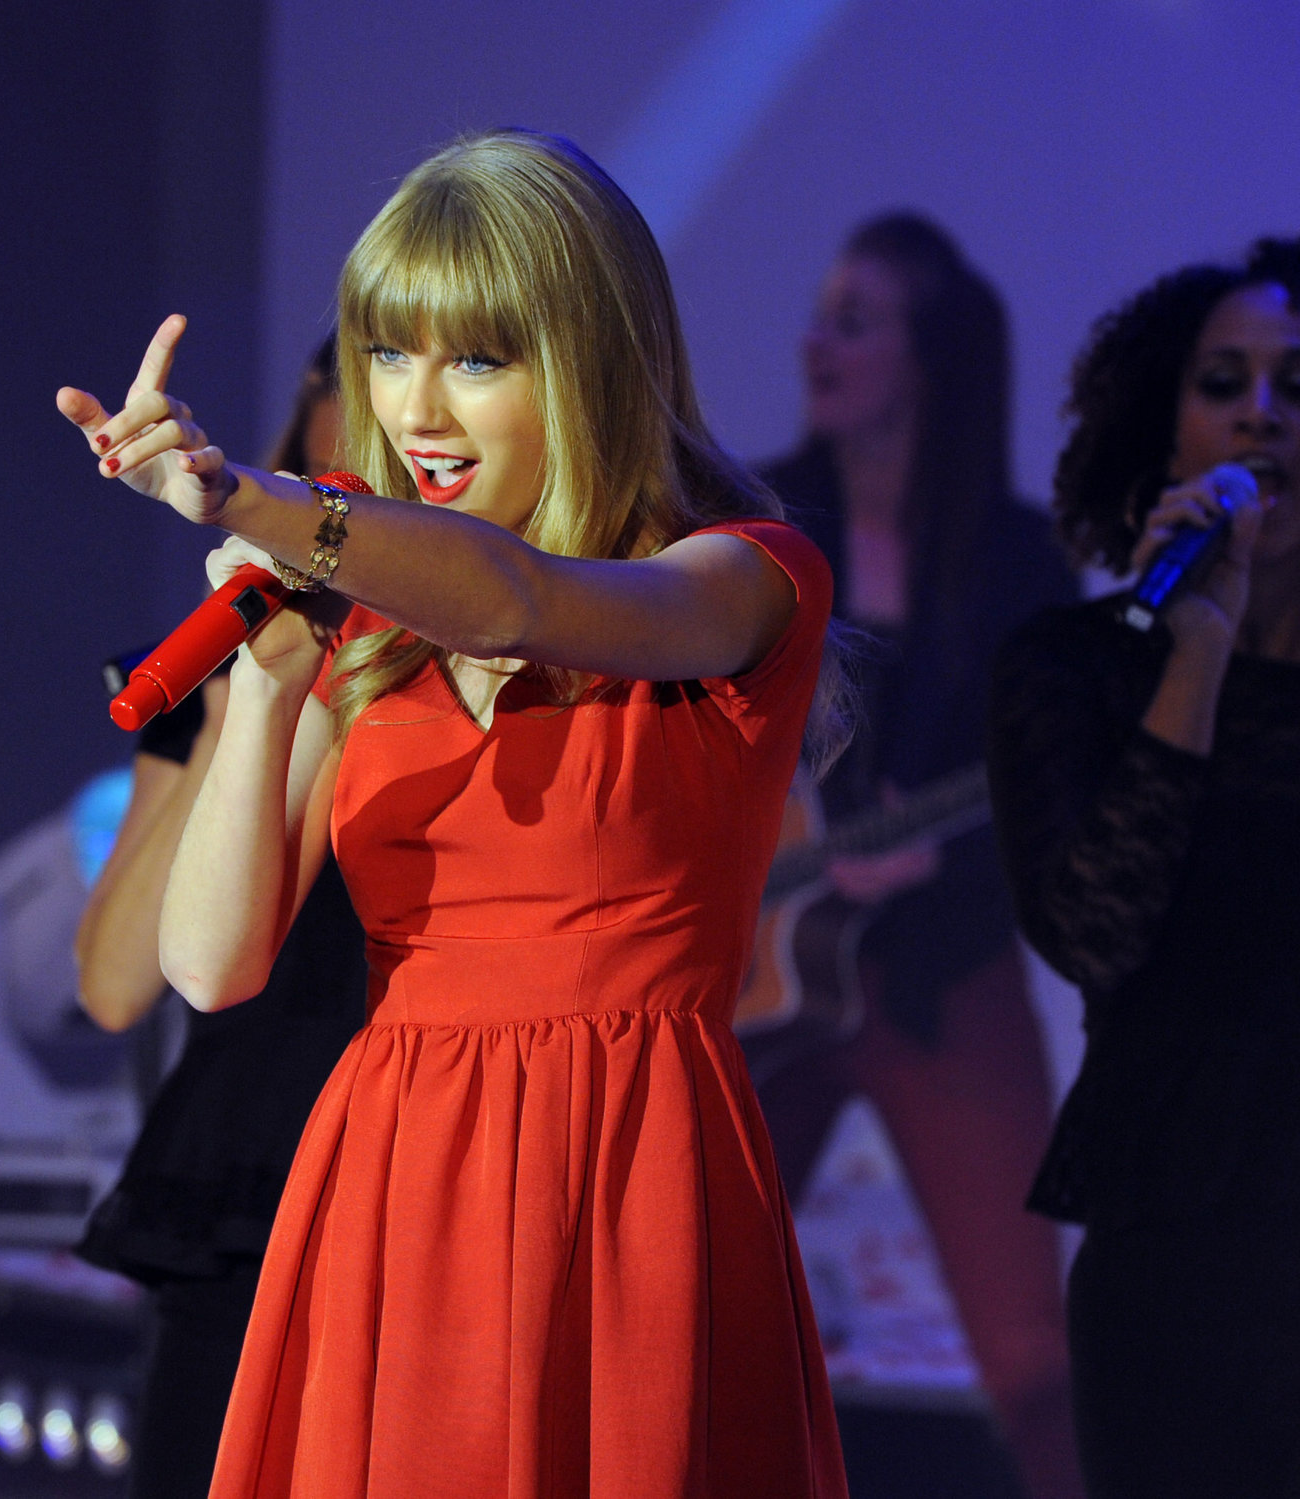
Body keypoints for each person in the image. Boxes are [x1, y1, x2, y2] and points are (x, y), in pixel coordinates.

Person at [58, 130, 847, 1497]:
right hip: (393, 1170)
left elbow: (519, 601)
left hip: (625, 1167)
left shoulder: (738, 576)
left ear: (589, 361)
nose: (416, 409)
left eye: (477, 360)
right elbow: (210, 963)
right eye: (387, 353)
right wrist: (269, 688)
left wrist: (260, 498)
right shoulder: (370, 632)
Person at [753, 214, 1082, 1499]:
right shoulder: (755, 520)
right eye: (817, 314)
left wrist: (936, 868)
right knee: (684, 1321)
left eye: (853, 321)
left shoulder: (1015, 560)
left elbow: (1050, 794)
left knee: (1032, 1358)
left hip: (945, 980)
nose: (815, 343)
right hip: (761, 982)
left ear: (926, 355)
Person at [989, 237, 1300, 1498]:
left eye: (1296, 386)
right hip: (1180, 1263)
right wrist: (1198, 650)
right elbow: (1093, 933)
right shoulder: (1076, 665)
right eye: (1223, 383)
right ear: (1164, 432)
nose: (1261, 412)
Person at [73, 335, 369, 1499]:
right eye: (357, 378)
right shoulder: (232, 664)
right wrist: (237, 694)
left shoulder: (449, 654)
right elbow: (114, 984)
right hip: (241, 1156)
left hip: (394, 1134)